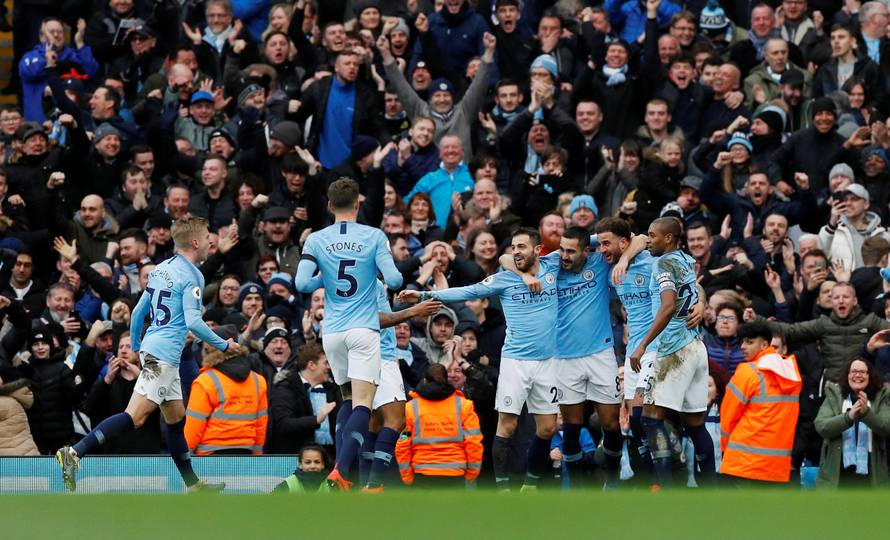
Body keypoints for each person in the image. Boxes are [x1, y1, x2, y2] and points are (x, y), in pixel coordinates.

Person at [56, 216, 244, 492]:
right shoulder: (193, 275)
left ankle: (192, 484)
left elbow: (138, 313)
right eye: (207, 237)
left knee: (176, 419)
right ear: (195, 242)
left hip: (155, 349)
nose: (210, 241)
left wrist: (135, 346)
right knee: (135, 416)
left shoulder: (161, 269)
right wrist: (225, 345)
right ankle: (74, 453)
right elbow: (193, 321)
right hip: (165, 356)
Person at [399, 228, 561, 492]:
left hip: (548, 362)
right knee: (507, 425)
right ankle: (503, 488)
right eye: (513, 247)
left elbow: (585, 242)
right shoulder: (505, 278)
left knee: (547, 428)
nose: (516, 252)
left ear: (538, 249)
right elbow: (467, 291)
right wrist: (425, 295)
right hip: (515, 361)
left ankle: (530, 484)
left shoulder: (553, 265)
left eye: (522, 246)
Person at [502, 226, 642, 488]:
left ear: (586, 252)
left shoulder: (600, 261)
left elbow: (641, 238)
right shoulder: (550, 264)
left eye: (570, 251)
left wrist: (623, 259)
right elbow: (505, 258)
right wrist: (522, 276)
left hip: (600, 355)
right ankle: (577, 490)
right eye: (561, 250)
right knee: (571, 425)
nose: (563, 256)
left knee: (611, 424)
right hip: (563, 358)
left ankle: (611, 482)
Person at [294, 178, 403, 491]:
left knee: (346, 397)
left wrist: (325, 278)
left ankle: (343, 469)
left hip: (332, 331)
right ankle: (341, 470)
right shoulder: (373, 236)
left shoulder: (316, 239)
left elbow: (302, 285)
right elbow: (394, 279)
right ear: (358, 204)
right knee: (363, 405)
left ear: (329, 206)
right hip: (363, 329)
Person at [628, 217, 714, 489]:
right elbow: (693, 289)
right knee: (696, 424)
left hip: (673, 348)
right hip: (697, 347)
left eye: (653, 236)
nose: (648, 240)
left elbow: (666, 306)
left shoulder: (662, 264)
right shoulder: (685, 260)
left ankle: (663, 489)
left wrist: (643, 344)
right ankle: (711, 489)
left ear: (668, 238)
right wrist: (701, 300)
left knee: (650, 419)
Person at [361, 280, 441, 492]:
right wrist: (413, 310)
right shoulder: (369, 282)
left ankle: (364, 483)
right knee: (396, 420)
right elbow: (371, 318)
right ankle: (373, 484)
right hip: (381, 356)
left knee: (374, 422)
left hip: (364, 356)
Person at [719, 321, 802, 485]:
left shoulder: (747, 372)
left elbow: (728, 417)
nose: (743, 346)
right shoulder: (791, 372)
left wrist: (725, 450)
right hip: (776, 467)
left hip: (742, 463)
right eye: (742, 341)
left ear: (764, 344)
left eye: (749, 342)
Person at [395, 363, 483, 489]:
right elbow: (474, 442)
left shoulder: (412, 408)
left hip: (422, 474)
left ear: (425, 381)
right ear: (446, 380)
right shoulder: (463, 406)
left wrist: (407, 476)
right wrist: (472, 473)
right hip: (455, 473)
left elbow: (403, 444)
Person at [184, 325, 268, 455]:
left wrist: (184, 459)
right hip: (246, 454)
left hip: (209, 457)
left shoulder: (206, 381)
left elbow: (193, 426)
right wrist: (256, 456)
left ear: (208, 348)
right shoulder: (258, 381)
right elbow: (261, 425)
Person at [815, 356, 890, 487]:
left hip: (871, 472)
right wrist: (848, 417)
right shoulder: (835, 394)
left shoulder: (881, 396)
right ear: (847, 374)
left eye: (862, 372)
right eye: (854, 371)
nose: (857, 375)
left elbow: (886, 427)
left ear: (869, 375)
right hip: (837, 472)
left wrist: (867, 413)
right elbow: (822, 426)